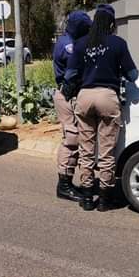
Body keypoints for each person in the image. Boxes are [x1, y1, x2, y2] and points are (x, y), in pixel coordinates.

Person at [64, 4, 138, 212]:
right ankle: (105, 199)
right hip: (107, 96)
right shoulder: (118, 44)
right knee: (106, 151)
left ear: (94, 22)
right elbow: (133, 75)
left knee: (86, 149)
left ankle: (87, 197)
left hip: (85, 97)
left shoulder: (80, 44)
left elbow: (70, 76)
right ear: (112, 24)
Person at [52, 10, 92, 201]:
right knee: (72, 138)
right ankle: (64, 185)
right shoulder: (67, 44)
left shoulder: (75, 41)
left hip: (76, 95)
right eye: (85, 29)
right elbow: (75, 65)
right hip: (67, 95)